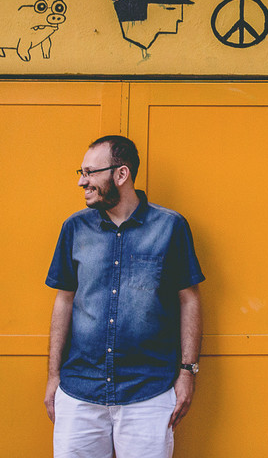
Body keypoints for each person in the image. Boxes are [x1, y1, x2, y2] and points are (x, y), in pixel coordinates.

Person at [44, 135, 205, 458]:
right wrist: (53, 376)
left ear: (121, 174)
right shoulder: (74, 228)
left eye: (90, 172)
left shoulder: (170, 227)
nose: (81, 181)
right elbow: (64, 301)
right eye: (81, 172)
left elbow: (189, 300)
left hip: (149, 392)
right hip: (80, 391)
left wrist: (187, 373)